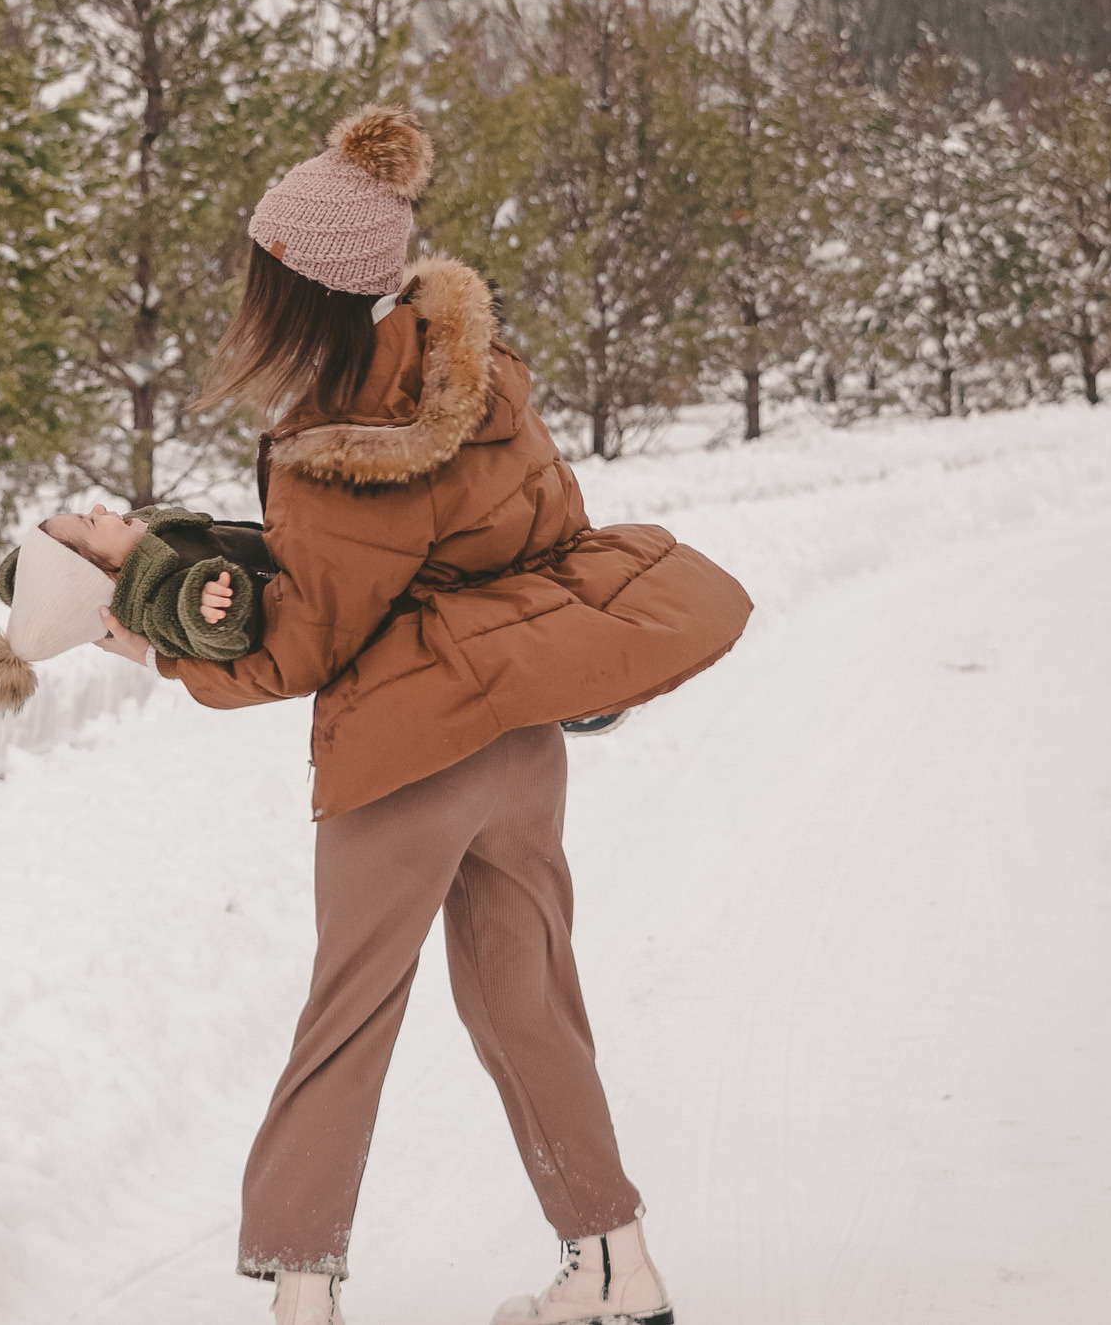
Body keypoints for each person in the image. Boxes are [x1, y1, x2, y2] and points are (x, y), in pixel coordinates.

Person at [91, 104, 753, 1325]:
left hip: (406, 757)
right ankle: (615, 1268)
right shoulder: (482, 372)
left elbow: (303, 645)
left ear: (301, 287)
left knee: (348, 1018)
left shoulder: (339, 438)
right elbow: (546, 533)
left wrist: (148, 640)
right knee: (527, 998)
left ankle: (303, 1301)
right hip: (517, 741)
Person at [0, 504, 276, 714]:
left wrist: (15, 574)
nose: (99, 508)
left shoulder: (133, 542)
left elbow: (58, 569)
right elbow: (184, 625)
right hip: (293, 582)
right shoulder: (153, 599)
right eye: (91, 522)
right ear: (105, 575)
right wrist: (203, 611)